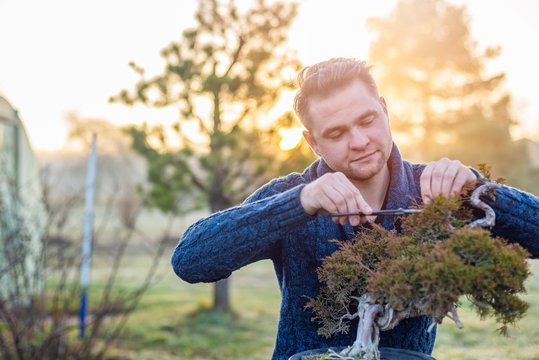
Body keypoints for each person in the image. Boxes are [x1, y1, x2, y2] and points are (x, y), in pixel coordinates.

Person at [171, 58, 539, 359]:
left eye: (367, 121)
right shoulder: (291, 196)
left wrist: (480, 191)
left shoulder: (437, 191)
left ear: (384, 109)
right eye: (336, 133)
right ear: (312, 143)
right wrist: (300, 203)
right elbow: (190, 260)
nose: (360, 142)